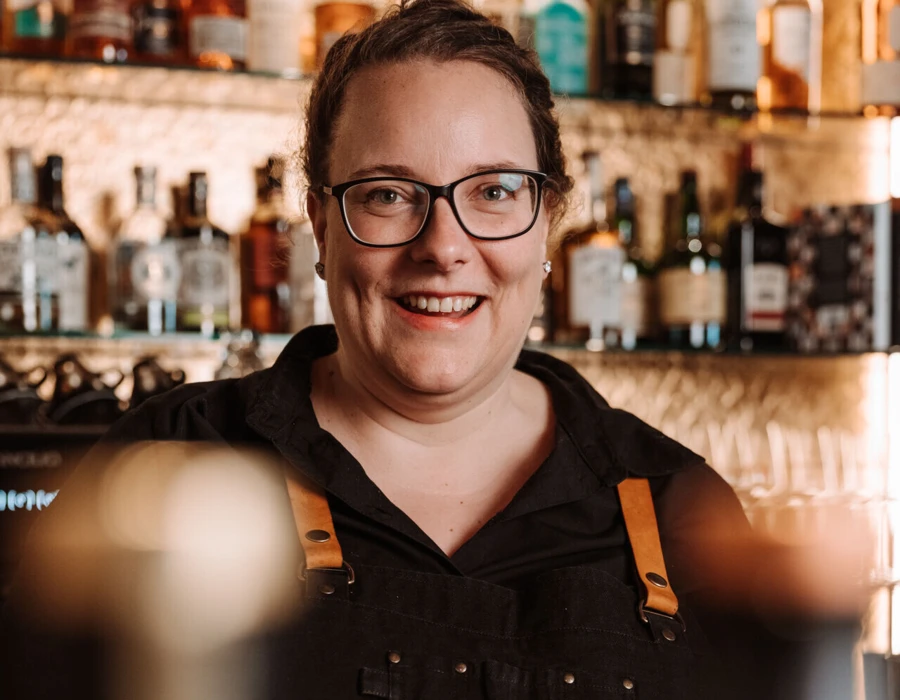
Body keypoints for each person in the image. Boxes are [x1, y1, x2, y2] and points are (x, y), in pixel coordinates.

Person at [1, 1, 867, 698]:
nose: (443, 246)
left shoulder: (679, 509)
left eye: (493, 191)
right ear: (317, 222)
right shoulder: (168, 466)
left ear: (549, 224)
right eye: (388, 194)